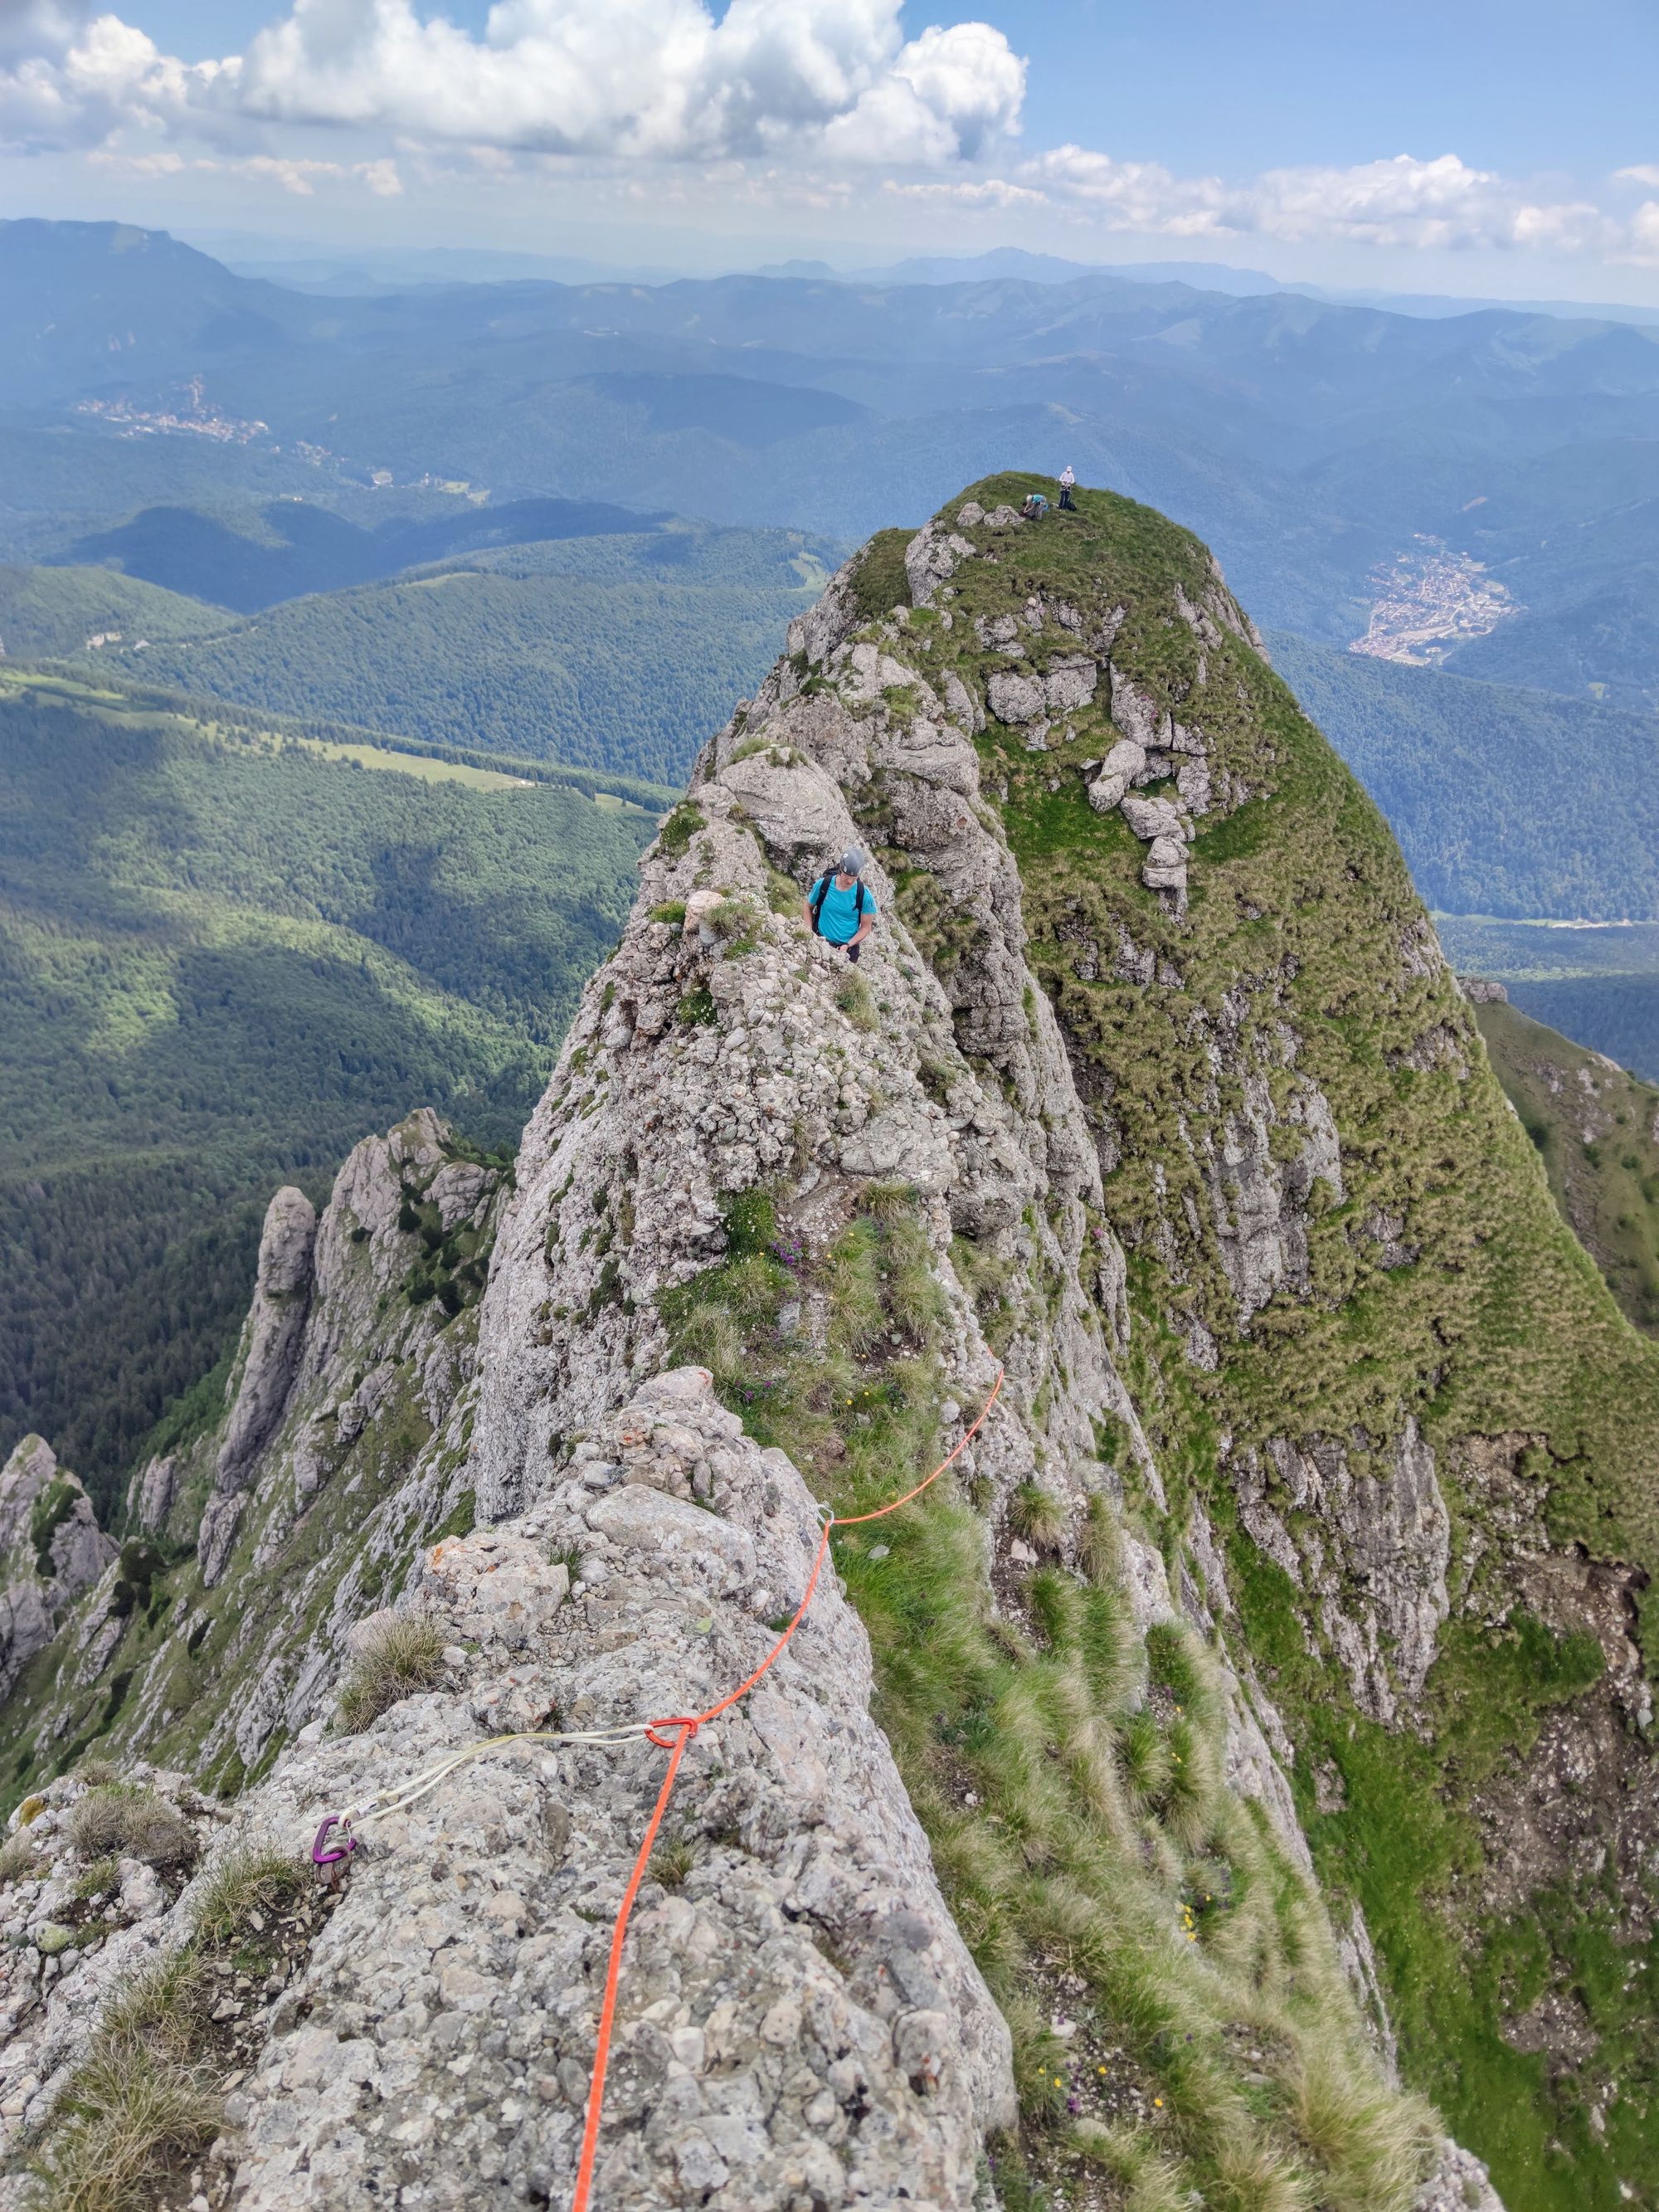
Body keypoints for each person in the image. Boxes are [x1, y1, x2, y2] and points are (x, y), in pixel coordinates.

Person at [804, 846, 878, 962]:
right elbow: (808, 907)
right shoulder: (824, 885)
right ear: (840, 870)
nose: (849, 881)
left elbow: (865, 927)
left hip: (846, 950)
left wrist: (848, 945)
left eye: (854, 878)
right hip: (819, 941)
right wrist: (809, 933)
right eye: (846, 876)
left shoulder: (864, 895)